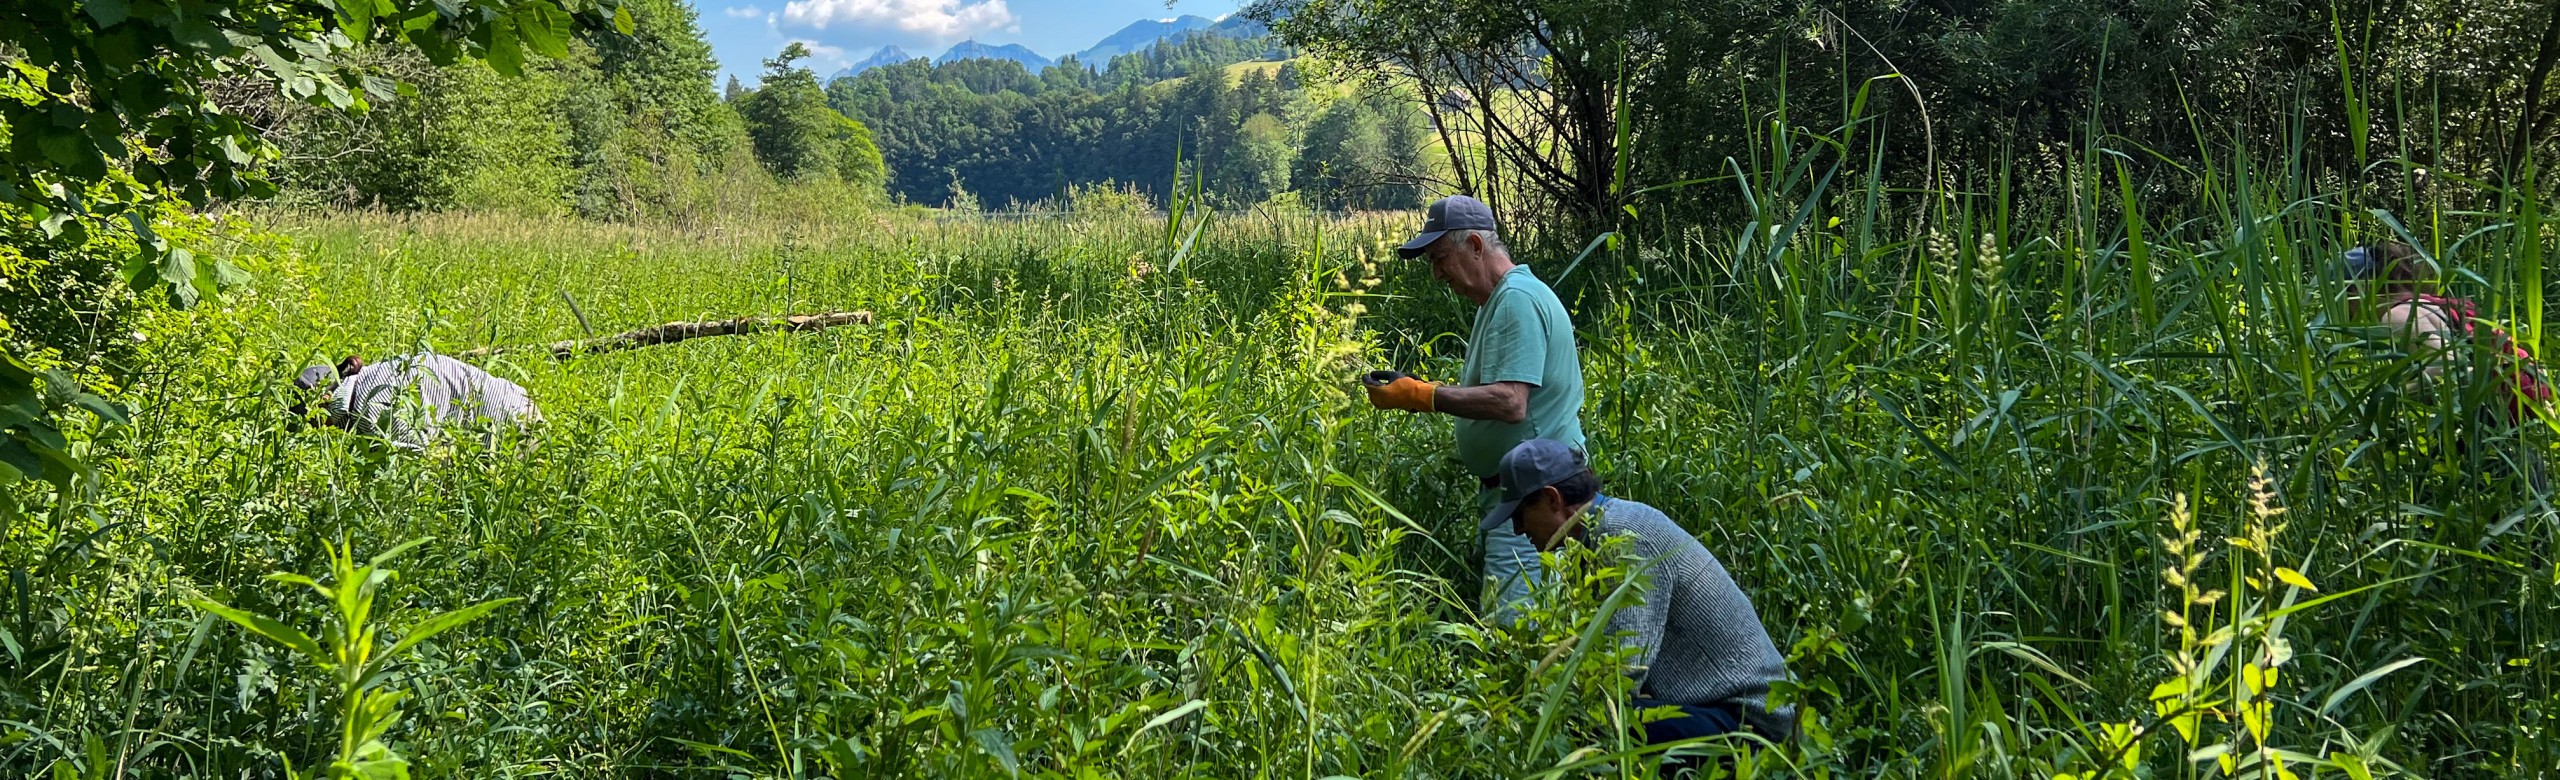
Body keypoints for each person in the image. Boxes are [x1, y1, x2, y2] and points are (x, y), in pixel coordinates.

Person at [1488, 439, 1796, 749]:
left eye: (1519, 515)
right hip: (1710, 706)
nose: (1518, 530)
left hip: (1747, 723)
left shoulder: (1624, 537)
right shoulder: (1599, 535)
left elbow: (1620, 675)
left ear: (1552, 499)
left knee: (1595, 725)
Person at [1365, 195, 1588, 620]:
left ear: (1476, 246)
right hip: (1531, 493)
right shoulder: (1506, 299)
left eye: (1440, 258)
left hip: (1537, 498)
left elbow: (1510, 402)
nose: (1436, 273)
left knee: (1514, 624)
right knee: (1545, 619)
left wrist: (1420, 395)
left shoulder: (1516, 300)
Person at [2345, 243, 2550, 490]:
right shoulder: (2431, 303)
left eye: (2345, 291)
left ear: (2363, 287)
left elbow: (2448, 370)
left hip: (2484, 432)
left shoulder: (2399, 315)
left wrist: (2375, 404)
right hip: (2512, 424)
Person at [293, 353, 542, 449]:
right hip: (518, 400)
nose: (319, 429)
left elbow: (416, 465)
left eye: (312, 422)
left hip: (510, 429)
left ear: (324, 400)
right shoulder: (375, 375)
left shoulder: (371, 410)